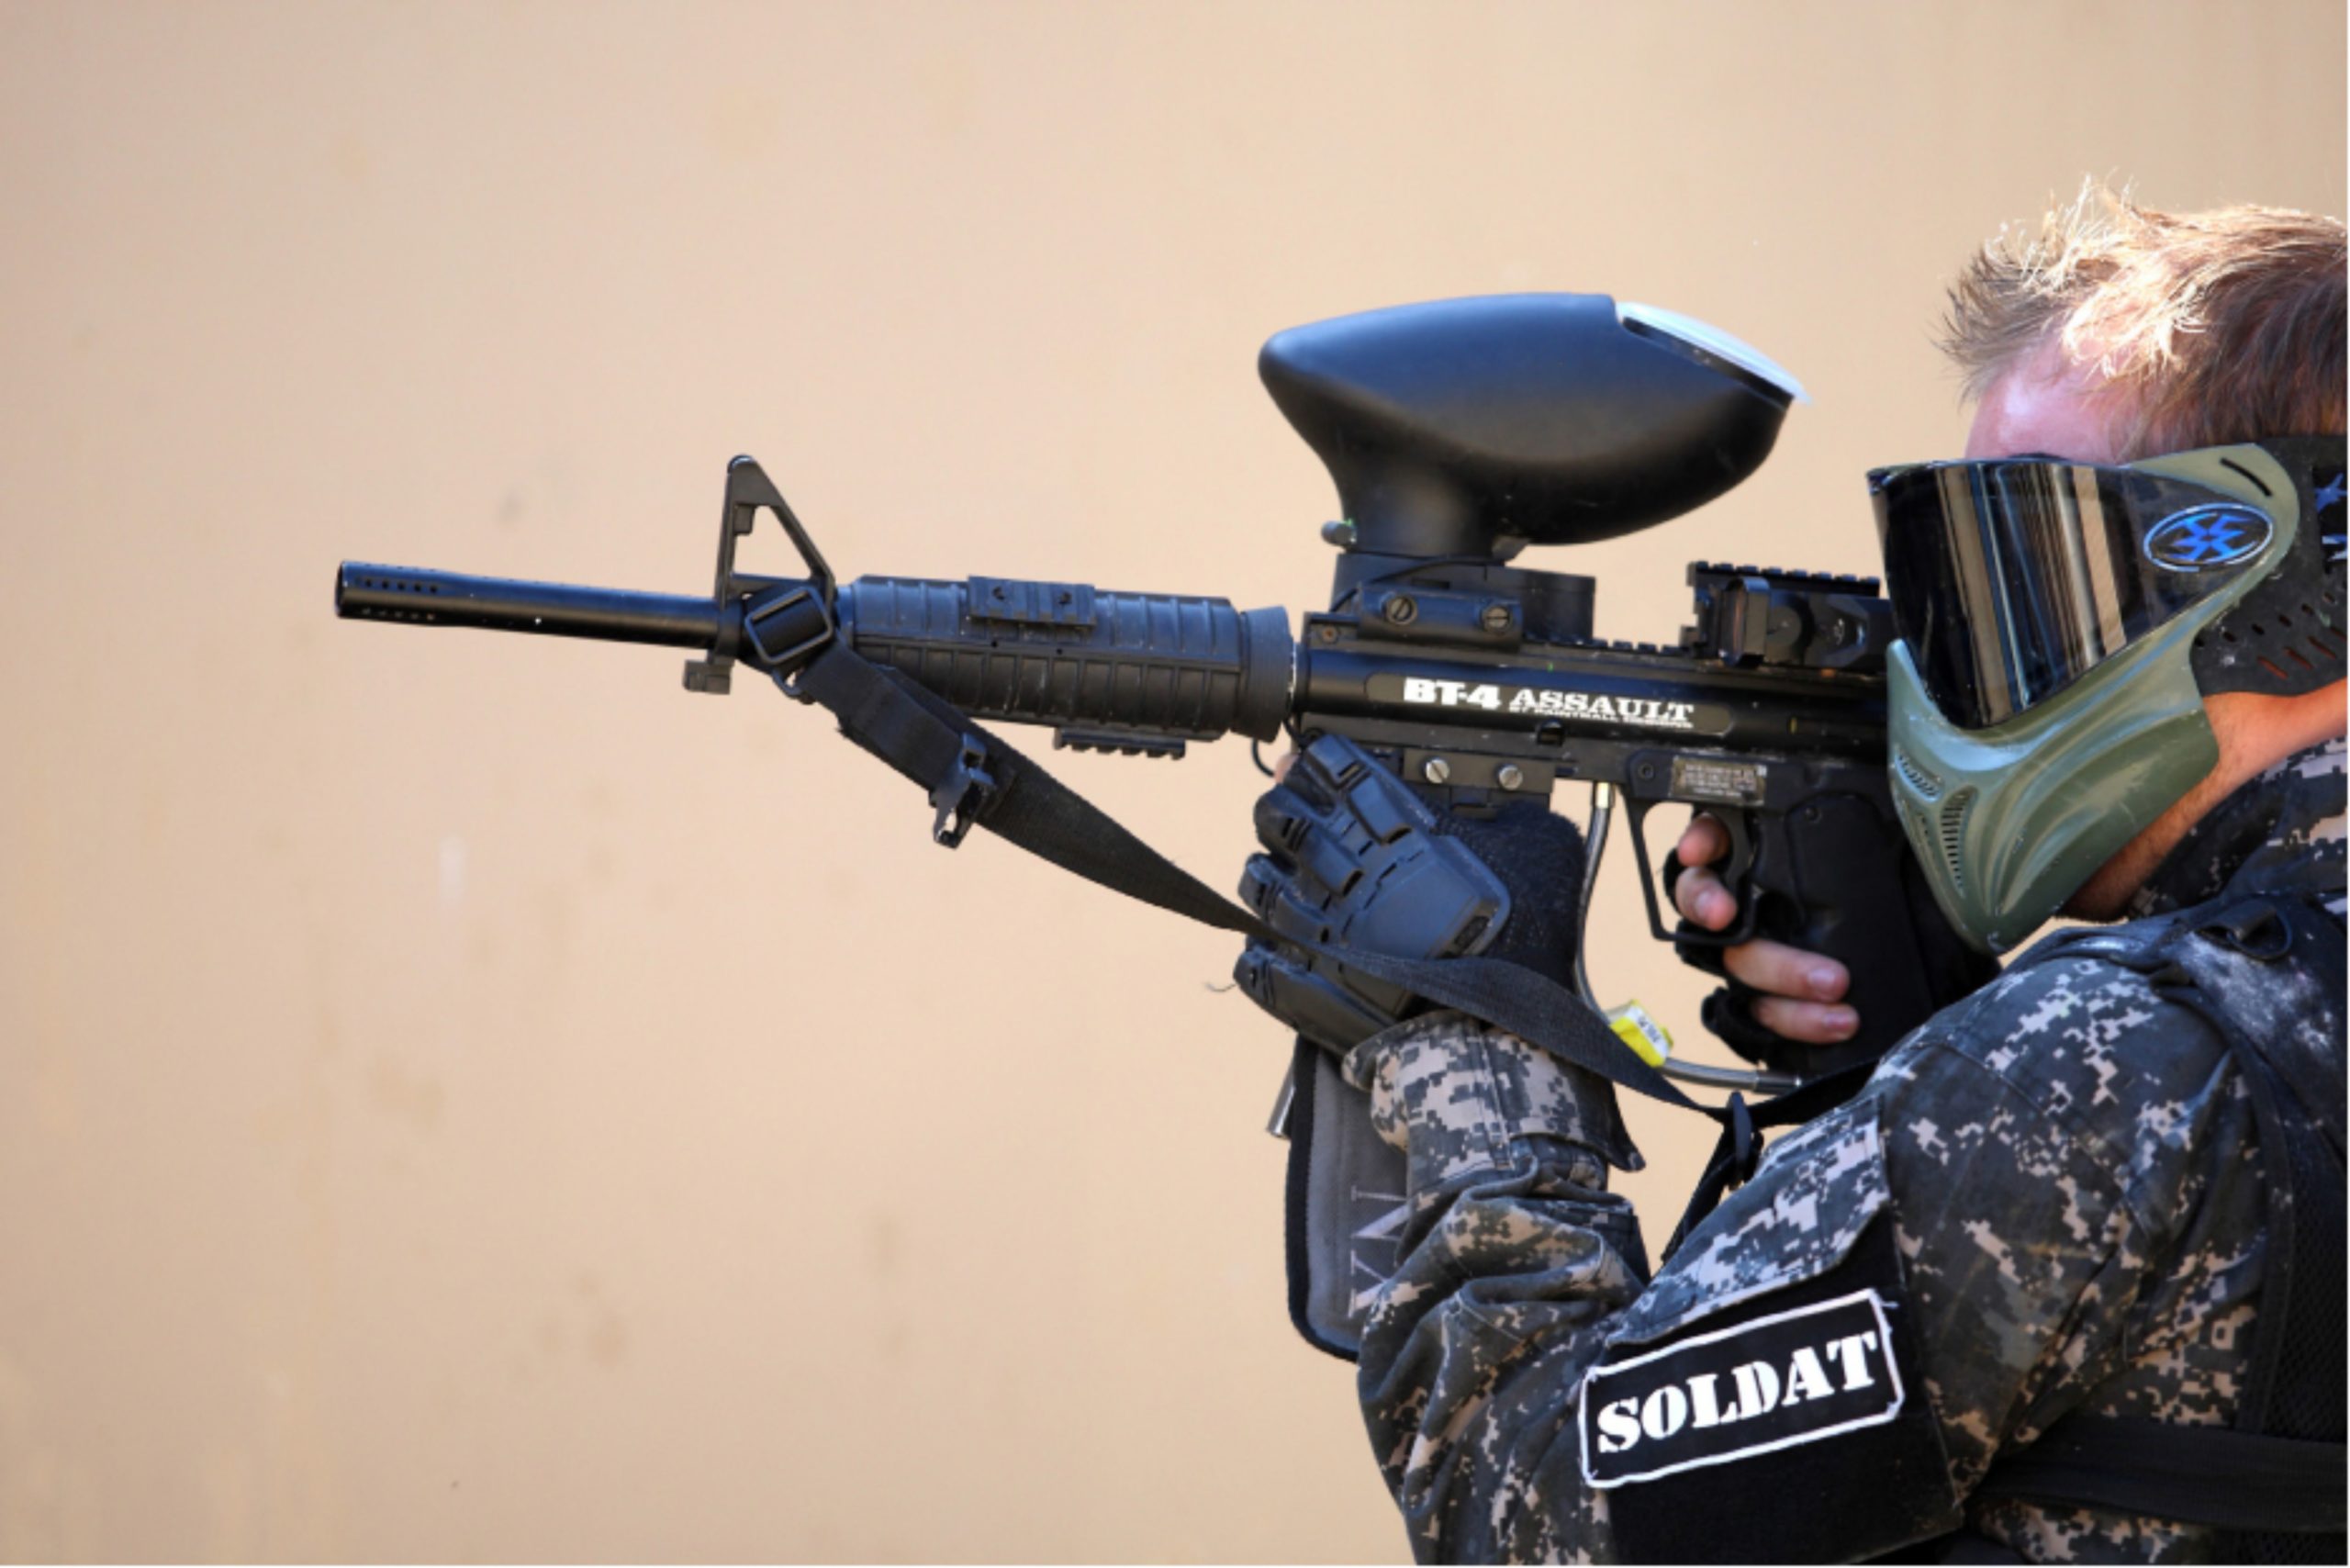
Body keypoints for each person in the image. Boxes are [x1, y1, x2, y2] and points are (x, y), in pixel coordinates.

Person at [1239, 187, 2345, 1562]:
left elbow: (1532, 1511)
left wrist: (1467, 1033)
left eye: (2031, 575)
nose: (1959, 675)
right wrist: (1920, 1050)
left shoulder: (2101, 1069)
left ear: (2282, 587)